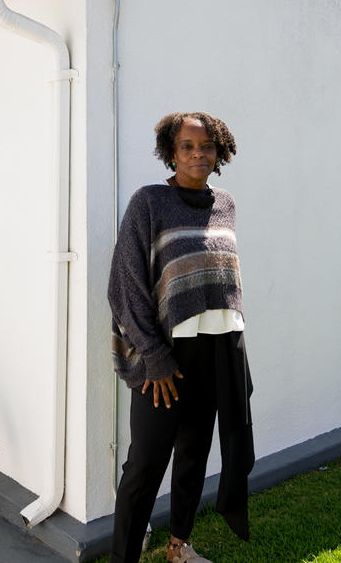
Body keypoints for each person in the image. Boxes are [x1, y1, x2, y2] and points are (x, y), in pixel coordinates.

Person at [108, 112, 254, 563]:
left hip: (217, 349)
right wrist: (153, 354)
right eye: (188, 146)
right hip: (165, 357)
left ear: (219, 152)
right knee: (145, 465)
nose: (198, 154)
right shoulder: (149, 203)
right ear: (171, 152)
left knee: (194, 454)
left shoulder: (225, 202)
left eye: (207, 146)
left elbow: (221, 279)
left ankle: (179, 547)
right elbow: (125, 285)